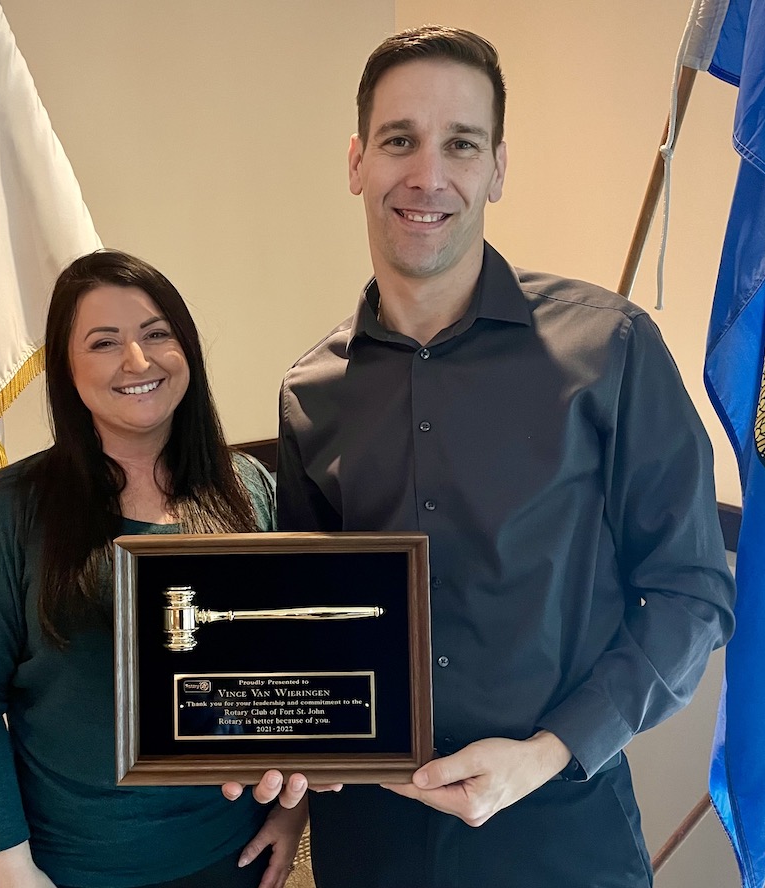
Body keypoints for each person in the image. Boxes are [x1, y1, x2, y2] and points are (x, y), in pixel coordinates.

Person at [225, 25, 737, 887]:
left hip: (558, 825)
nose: (427, 176)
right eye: (399, 141)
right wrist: (294, 788)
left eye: (460, 144)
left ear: (498, 167)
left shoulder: (610, 349)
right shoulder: (309, 391)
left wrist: (546, 753)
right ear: (357, 162)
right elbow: (312, 625)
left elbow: (691, 593)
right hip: (372, 839)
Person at [0, 249, 305, 888]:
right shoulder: (7, 517)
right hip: (73, 868)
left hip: (230, 853)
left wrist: (290, 817)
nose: (137, 361)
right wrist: (11, 868)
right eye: (104, 343)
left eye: (157, 334)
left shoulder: (248, 489)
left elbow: (292, 666)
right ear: (67, 370)